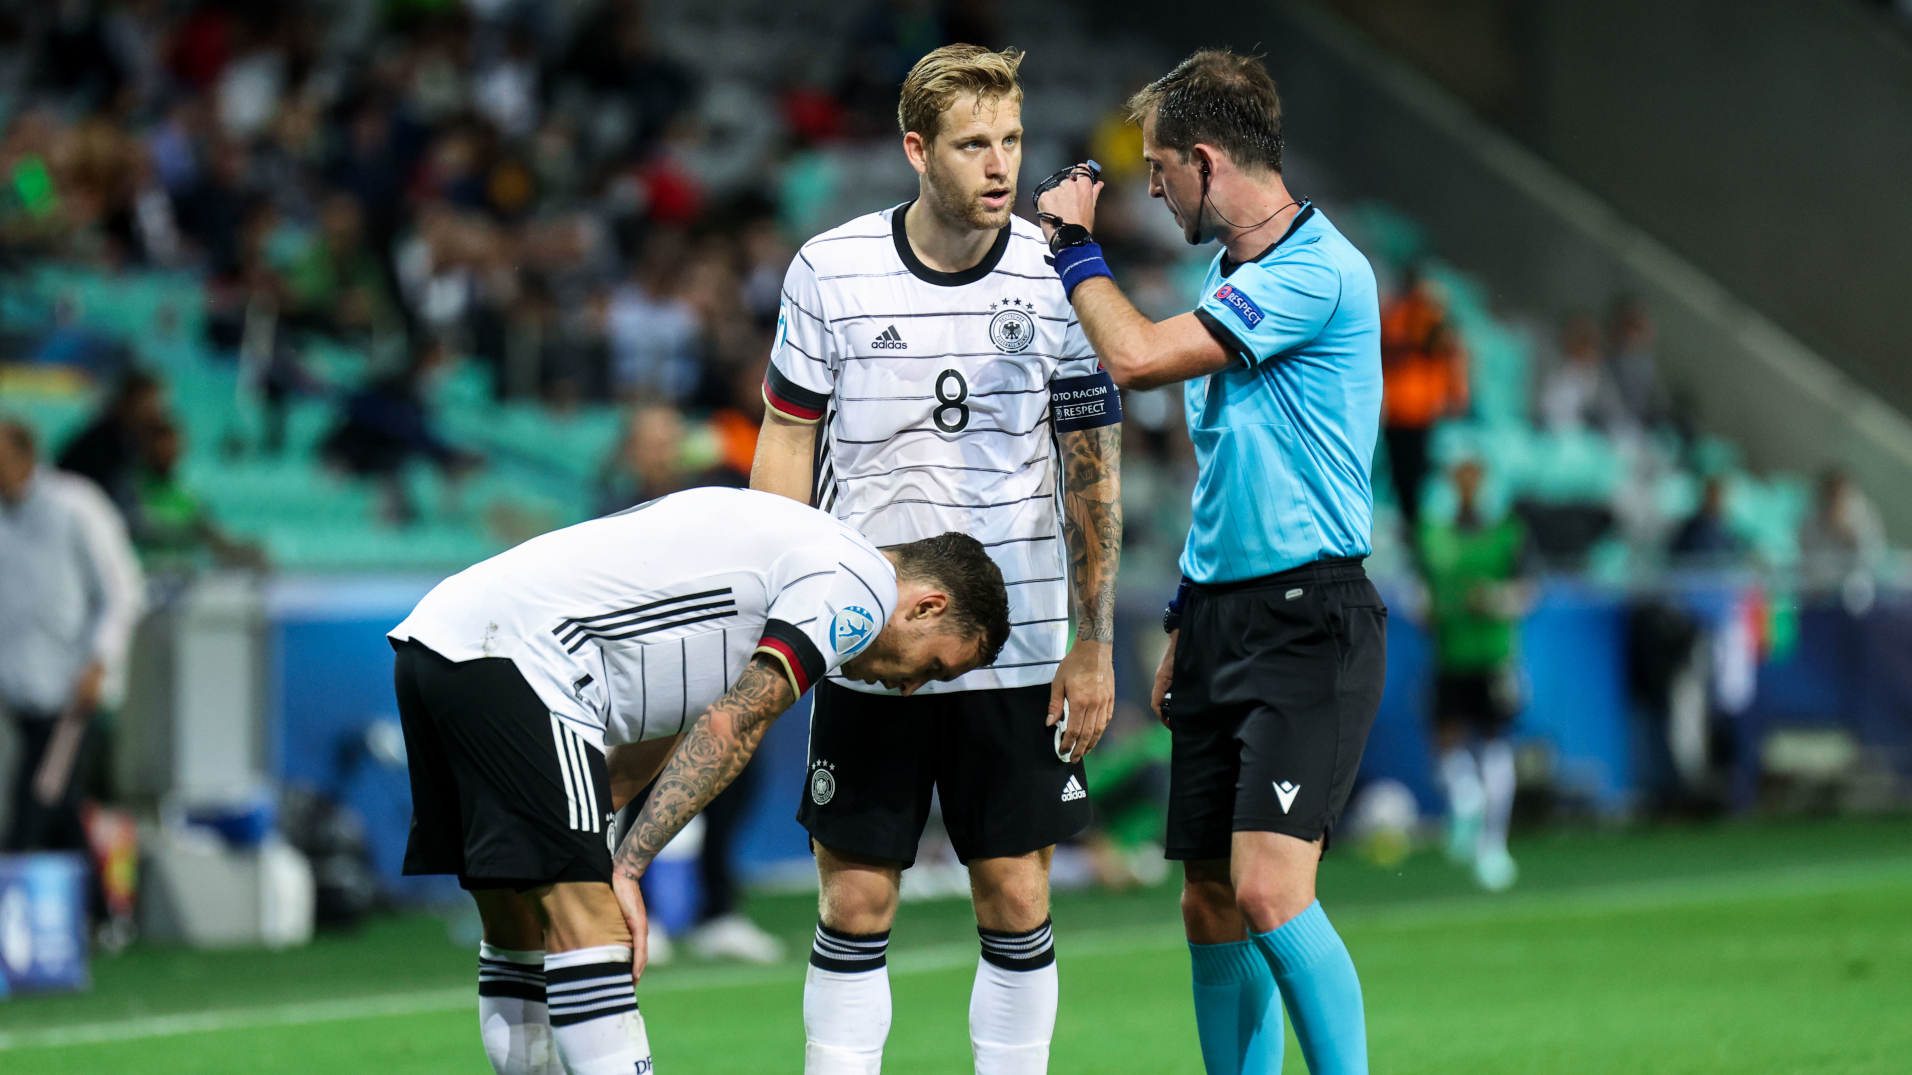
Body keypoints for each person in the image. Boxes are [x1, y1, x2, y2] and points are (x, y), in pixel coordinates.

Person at [749, 44, 1124, 1075]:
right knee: (855, 895)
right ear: (917, 150)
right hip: (866, 636)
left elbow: (1092, 465)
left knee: (1016, 891)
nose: (1000, 166)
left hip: (1018, 644)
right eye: (972, 145)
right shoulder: (830, 269)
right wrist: (779, 605)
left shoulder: (1059, 274)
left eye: (1012, 140)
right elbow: (786, 439)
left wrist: (1093, 641)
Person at [388, 487, 1010, 1075]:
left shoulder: (796, 553)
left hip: (439, 641)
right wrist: (625, 869)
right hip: (525, 659)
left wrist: (600, 837)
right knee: (593, 928)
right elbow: (734, 724)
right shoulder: (861, 586)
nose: (909, 688)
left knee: (517, 929)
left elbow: (664, 721)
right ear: (928, 605)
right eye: (934, 666)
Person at [1035, 49, 1386, 1075]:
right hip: (1224, 614)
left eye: (1157, 168)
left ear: (1204, 160)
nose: (1151, 188)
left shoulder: (1319, 272)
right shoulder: (1226, 279)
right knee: (1210, 899)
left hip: (1308, 616)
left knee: (1271, 890)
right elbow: (1229, 475)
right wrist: (1188, 612)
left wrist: (1073, 247)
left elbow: (1135, 359)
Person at [0, 418, 145, 855]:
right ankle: (106, 895)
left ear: (25, 455)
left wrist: (100, 660)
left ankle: (18, 891)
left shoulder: (75, 505)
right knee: (60, 812)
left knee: (33, 809)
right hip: (17, 696)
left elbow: (122, 590)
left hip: (69, 694)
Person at [1416, 459, 1533, 892]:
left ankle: (1493, 845)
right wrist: (1427, 609)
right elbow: (1420, 592)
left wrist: (1495, 599)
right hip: (1450, 652)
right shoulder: (1434, 535)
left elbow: (1529, 591)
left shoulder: (1507, 533)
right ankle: (1466, 798)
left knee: (1495, 743)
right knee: (1446, 743)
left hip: (1493, 654)